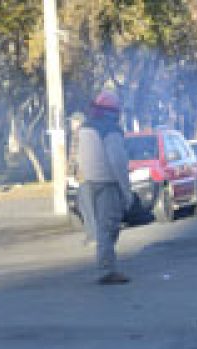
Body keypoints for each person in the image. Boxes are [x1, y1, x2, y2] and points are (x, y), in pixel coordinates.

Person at [76, 90, 133, 285]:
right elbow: (118, 161)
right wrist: (126, 191)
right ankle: (106, 270)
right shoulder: (111, 130)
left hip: (88, 183)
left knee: (101, 229)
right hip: (108, 184)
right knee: (109, 228)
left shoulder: (85, 128)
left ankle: (105, 264)